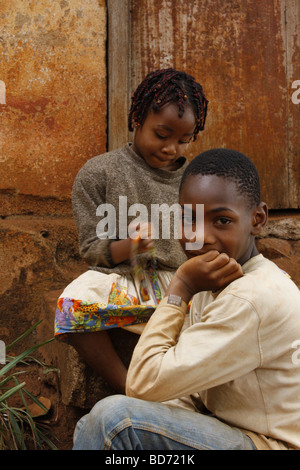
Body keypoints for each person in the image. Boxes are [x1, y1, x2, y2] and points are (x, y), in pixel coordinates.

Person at [72, 148, 300, 450]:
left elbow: (141, 386)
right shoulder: (217, 280)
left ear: (257, 220)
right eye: (188, 219)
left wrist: (179, 287)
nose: (199, 236)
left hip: (266, 444)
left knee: (115, 421)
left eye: (222, 221)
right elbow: (188, 393)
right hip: (224, 429)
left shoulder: (251, 297)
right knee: (92, 426)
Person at [54, 69, 208, 394]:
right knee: (71, 308)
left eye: (183, 140)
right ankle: (130, 389)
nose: (171, 148)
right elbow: (91, 249)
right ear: (137, 119)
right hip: (125, 280)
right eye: (162, 134)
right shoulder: (100, 174)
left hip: (183, 285)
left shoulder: (197, 182)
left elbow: (202, 245)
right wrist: (131, 246)